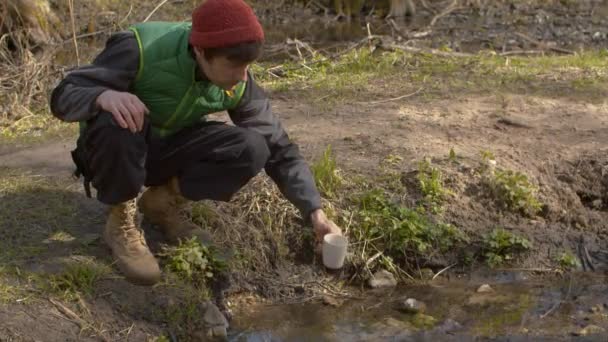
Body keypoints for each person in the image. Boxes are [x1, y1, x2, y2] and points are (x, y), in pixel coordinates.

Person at [50, 0, 342, 286]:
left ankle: (161, 204)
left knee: (252, 147)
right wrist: (103, 96)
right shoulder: (140, 47)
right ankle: (120, 221)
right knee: (119, 118)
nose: (242, 77)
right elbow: (65, 94)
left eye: (248, 66)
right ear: (201, 50)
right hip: (117, 150)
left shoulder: (238, 78)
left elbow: (278, 147)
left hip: (166, 152)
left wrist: (314, 211)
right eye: (234, 65)